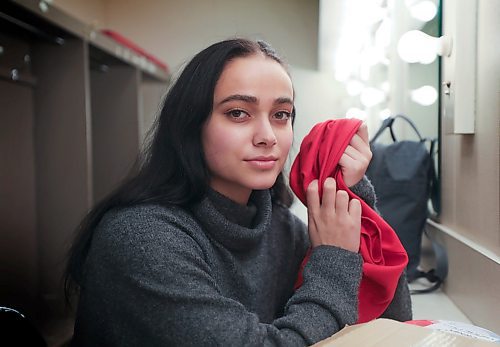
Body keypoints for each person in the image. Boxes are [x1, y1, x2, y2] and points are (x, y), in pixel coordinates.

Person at [65, 38, 412, 346]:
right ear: (191, 125)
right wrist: (335, 260)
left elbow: (392, 323)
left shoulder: (281, 228)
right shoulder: (142, 238)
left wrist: (353, 196)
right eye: (238, 113)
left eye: (281, 114)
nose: (268, 136)